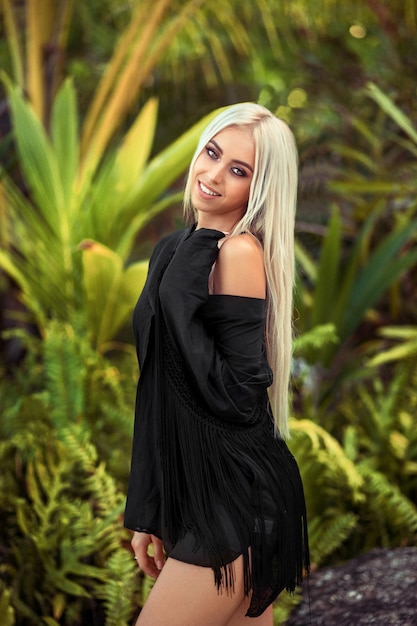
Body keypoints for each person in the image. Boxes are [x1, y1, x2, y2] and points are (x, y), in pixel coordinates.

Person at [124, 102, 310, 626]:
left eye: (239, 170)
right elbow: (157, 389)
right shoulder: (173, 249)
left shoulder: (238, 253)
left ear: (260, 188)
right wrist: (152, 510)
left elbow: (237, 394)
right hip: (200, 498)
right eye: (212, 153)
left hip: (238, 505)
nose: (213, 175)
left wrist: (183, 292)